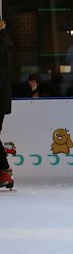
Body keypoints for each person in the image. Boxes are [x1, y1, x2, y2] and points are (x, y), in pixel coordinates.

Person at [0, 18, 13, 191]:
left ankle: (4, 172)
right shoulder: (3, 42)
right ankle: (4, 172)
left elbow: (1, 73)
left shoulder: (1, 45)